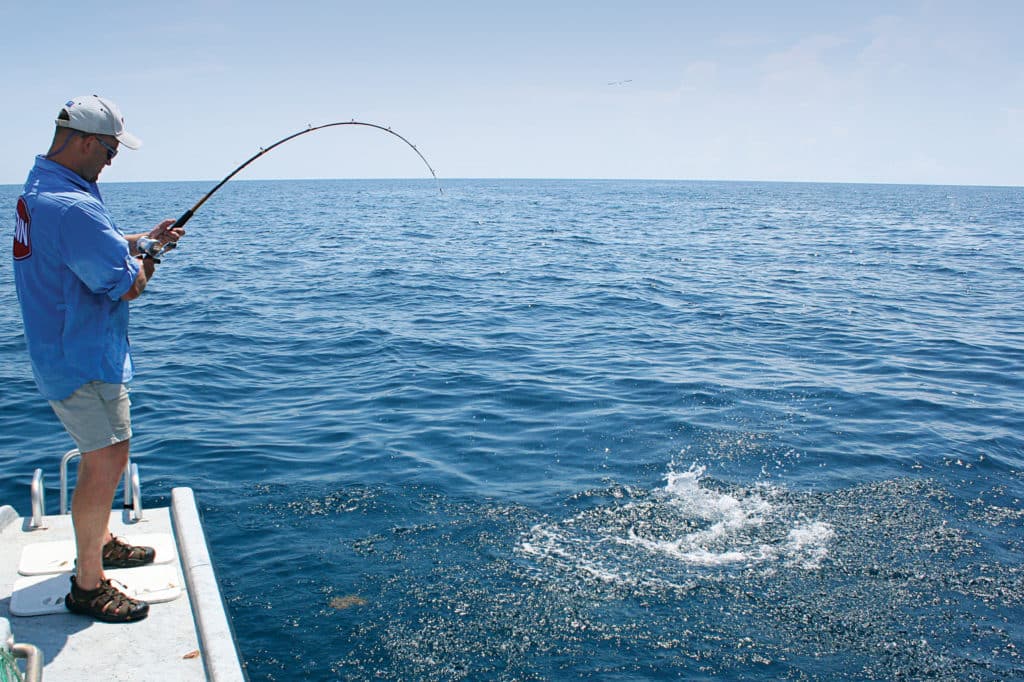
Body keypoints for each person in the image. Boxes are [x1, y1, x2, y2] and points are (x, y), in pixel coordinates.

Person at [12, 95, 184, 623]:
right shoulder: (75, 206)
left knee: (106, 454)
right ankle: (89, 585)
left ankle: (101, 538)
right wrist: (149, 256)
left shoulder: (40, 189)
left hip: (58, 349)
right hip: (84, 357)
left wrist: (136, 239)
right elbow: (127, 285)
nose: (112, 160)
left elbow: (88, 247)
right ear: (87, 141)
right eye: (109, 151)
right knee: (105, 459)